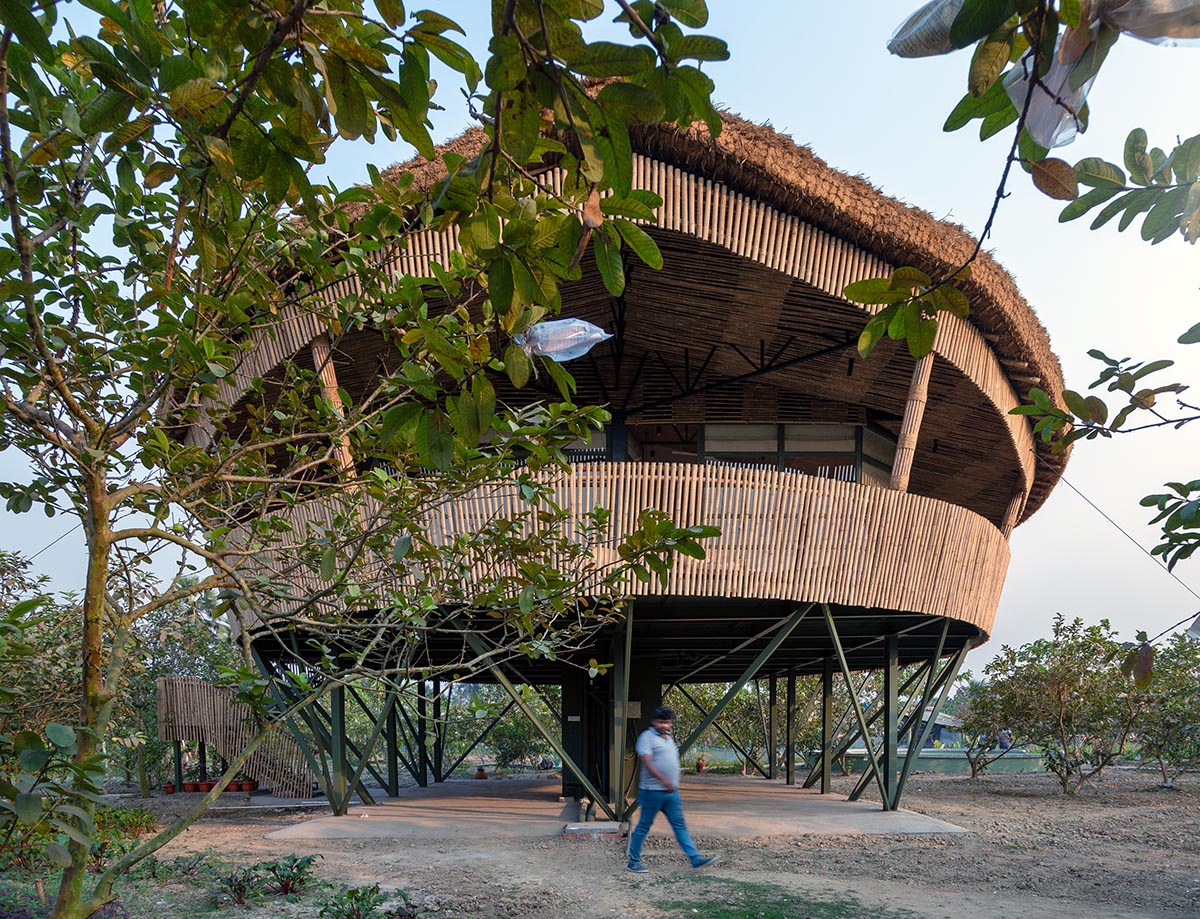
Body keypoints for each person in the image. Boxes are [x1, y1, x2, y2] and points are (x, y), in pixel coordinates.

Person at [626, 706, 718, 873]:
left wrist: (671, 784)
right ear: (654, 722)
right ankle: (633, 862)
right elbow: (647, 762)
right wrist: (664, 780)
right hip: (652, 792)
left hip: (671, 793)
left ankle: (695, 858)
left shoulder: (668, 738)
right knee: (643, 827)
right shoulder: (646, 737)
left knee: (679, 825)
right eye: (661, 722)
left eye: (668, 722)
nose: (665, 726)